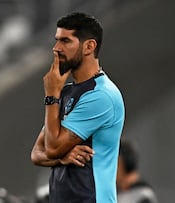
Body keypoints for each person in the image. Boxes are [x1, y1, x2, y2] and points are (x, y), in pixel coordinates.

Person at [30, 12, 125, 203]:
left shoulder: (101, 95)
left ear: (89, 46)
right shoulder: (65, 92)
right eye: (57, 40)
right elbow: (37, 153)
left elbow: (52, 147)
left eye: (65, 41)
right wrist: (61, 157)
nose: (56, 48)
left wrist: (50, 96)